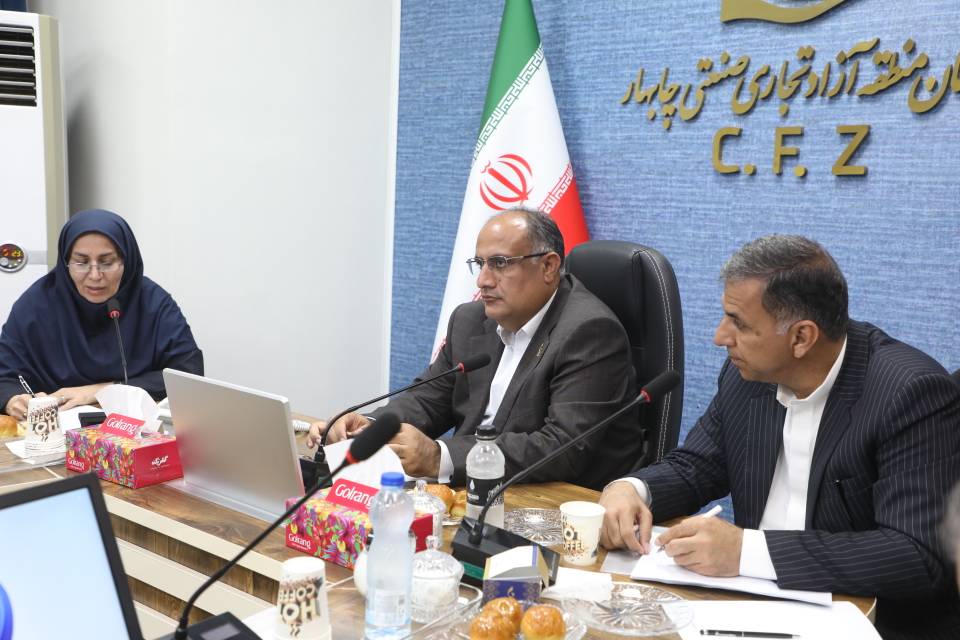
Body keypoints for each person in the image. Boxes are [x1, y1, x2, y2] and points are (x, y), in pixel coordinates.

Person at [599, 234, 960, 639]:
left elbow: (915, 553)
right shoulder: (747, 374)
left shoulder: (908, 392)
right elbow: (696, 466)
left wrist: (746, 552)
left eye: (739, 323)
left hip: (863, 622)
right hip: (748, 609)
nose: (720, 337)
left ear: (801, 337)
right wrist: (633, 489)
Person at [308, 208, 639, 489]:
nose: (483, 280)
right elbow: (427, 400)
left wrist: (440, 457)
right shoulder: (470, 320)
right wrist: (369, 427)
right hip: (473, 493)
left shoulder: (589, 331)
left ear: (549, 267)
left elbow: (561, 447)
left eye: (500, 263)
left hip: (556, 505)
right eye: (480, 263)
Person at [0, 209, 204, 419]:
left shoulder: (153, 303)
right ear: (65, 262)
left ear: (126, 261)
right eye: (81, 262)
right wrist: (12, 399)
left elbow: (189, 375)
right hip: (53, 430)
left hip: (135, 429)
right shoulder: (36, 304)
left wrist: (103, 391)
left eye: (107, 262)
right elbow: (4, 376)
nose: (95, 275)